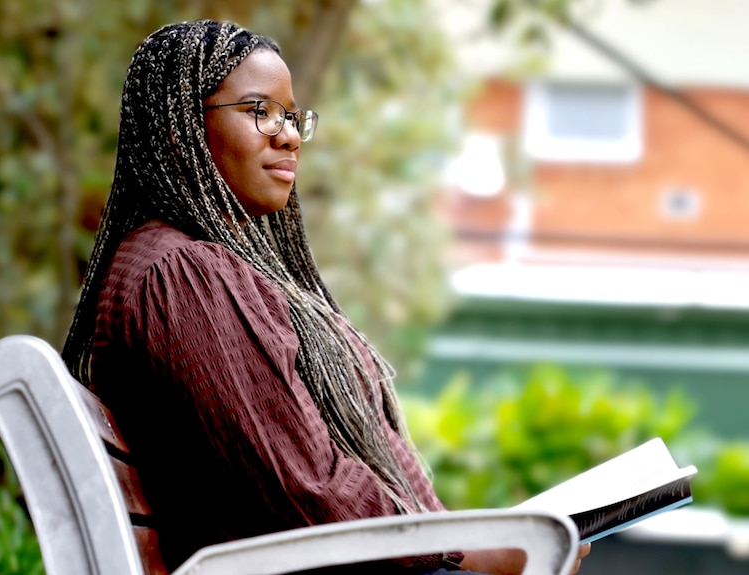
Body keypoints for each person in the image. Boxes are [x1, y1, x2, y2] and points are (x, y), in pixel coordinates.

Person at [61, 19, 590, 575]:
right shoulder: (186, 274)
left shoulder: (186, 265)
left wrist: (467, 542)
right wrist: (467, 551)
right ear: (180, 130)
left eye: (291, 116)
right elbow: (304, 487)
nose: (286, 134)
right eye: (259, 111)